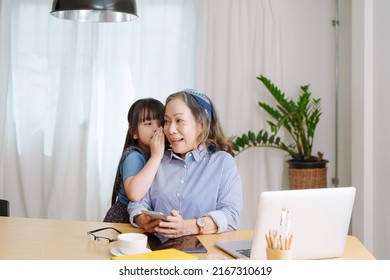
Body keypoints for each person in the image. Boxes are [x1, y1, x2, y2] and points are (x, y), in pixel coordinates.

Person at [128, 89, 242, 238]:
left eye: (179, 120)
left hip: (204, 255)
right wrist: (144, 220)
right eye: (167, 121)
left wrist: (190, 226)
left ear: (201, 124)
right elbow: (137, 204)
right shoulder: (157, 160)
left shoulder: (223, 163)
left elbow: (231, 215)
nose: (171, 130)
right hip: (158, 252)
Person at [103, 98, 165, 223]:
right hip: (124, 221)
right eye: (148, 124)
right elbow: (134, 194)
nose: (156, 129)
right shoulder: (134, 157)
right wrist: (156, 156)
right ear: (134, 132)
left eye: (161, 123)